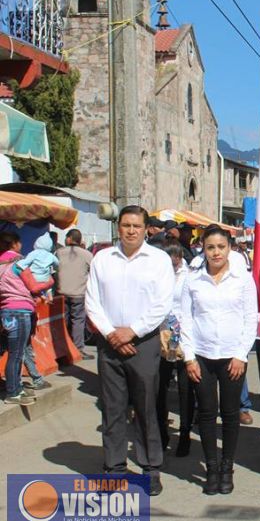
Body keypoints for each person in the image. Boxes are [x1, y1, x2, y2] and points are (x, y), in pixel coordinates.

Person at [85, 206, 175, 496]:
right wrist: (111, 333)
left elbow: (162, 303)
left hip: (144, 342)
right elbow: (92, 301)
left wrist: (132, 330)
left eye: (137, 225)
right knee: (112, 409)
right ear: (118, 227)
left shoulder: (158, 260)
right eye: (126, 225)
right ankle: (114, 468)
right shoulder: (102, 259)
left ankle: (151, 469)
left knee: (146, 408)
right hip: (108, 341)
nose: (131, 230)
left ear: (146, 228)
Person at [181, 225, 258, 495]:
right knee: (205, 411)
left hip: (232, 356)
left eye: (221, 247)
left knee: (230, 413)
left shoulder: (242, 279)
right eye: (211, 247)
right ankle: (211, 468)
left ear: (229, 248)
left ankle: (227, 467)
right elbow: (185, 319)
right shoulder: (193, 280)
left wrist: (240, 355)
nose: (216, 252)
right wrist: (189, 357)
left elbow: (251, 319)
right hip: (201, 354)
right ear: (203, 248)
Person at [153, 240, 194, 458]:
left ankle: (185, 433)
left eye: (175, 256)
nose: (173, 261)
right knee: (160, 388)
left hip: (184, 337)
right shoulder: (157, 274)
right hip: (162, 336)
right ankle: (161, 432)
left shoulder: (190, 275)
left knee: (186, 390)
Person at [0, 233, 48, 405]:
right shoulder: (21, 263)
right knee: (17, 354)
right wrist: (48, 282)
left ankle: (14, 387)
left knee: (9, 351)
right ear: (14, 244)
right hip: (20, 311)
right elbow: (34, 286)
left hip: (5, 311)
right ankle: (13, 392)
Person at [55, 229, 94, 359]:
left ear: (70, 239)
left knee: (62, 321)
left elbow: (53, 271)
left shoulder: (59, 253)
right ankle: (78, 349)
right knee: (78, 321)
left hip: (61, 293)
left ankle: (62, 349)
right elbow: (94, 271)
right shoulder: (87, 254)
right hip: (79, 294)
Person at [15, 232, 59, 303]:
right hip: (46, 278)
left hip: (35, 277)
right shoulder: (50, 255)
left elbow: (26, 262)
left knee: (33, 288)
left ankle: (41, 296)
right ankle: (50, 297)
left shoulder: (34, 253)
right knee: (48, 286)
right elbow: (57, 263)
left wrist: (18, 264)